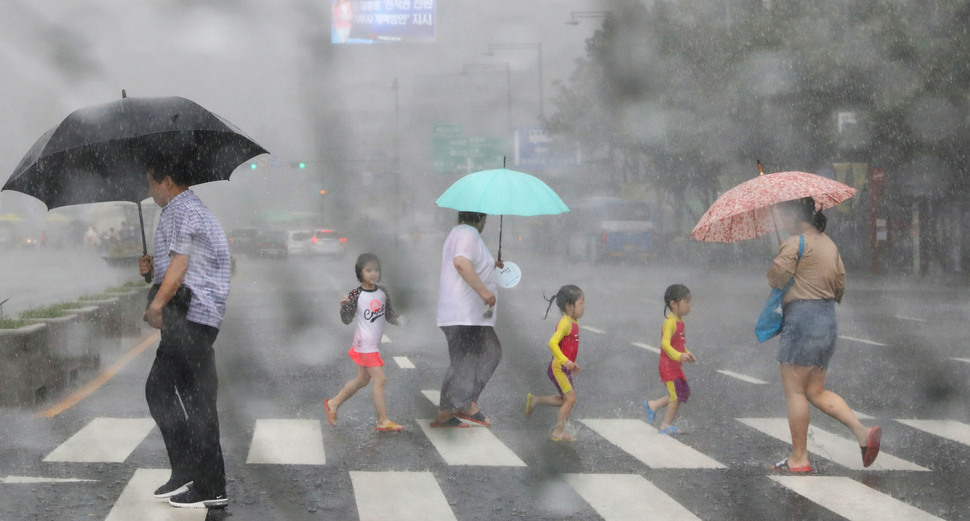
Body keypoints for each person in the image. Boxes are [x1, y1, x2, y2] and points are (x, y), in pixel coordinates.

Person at [138, 159, 231, 509]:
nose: (149, 191)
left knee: (190, 399)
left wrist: (156, 305)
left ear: (169, 181)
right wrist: (150, 270)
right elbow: (172, 265)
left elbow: (181, 266)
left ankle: (210, 486)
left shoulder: (182, 210)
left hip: (190, 315)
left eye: (151, 183)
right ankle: (189, 471)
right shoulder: (186, 210)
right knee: (167, 391)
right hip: (192, 315)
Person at [767, 196, 881, 472]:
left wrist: (785, 259)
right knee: (815, 390)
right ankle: (862, 433)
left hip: (802, 320)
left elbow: (775, 279)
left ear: (797, 217)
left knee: (795, 391)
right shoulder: (830, 245)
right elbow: (840, 286)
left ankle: (799, 458)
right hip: (827, 319)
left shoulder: (795, 244)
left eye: (786, 215)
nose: (783, 221)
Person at [432, 211, 501, 428]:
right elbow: (461, 262)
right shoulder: (468, 233)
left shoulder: (460, 233)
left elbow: (471, 263)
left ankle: (466, 403)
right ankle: (452, 408)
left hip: (469, 315)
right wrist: (483, 292)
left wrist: (492, 267)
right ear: (481, 219)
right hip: (463, 313)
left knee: (476, 356)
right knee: (478, 356)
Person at [325, 253, 403, 432]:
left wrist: (401, 321)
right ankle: (383, 420)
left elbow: (389, 315)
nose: (373, 273)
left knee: (362, 380)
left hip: (372, 344)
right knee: (380, 378)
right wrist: (344, 307)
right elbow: (346, 319)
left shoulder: (383, 292)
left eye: (376, 270)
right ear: (360, 273)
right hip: (364, 344)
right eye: (368, 270)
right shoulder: (356, 294)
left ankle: (333, 403)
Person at [525, 285, 585, 441]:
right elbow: (552, 343)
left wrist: (571, 363)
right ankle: (558, 432)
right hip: (558, 367)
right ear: (569, 306)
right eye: (581, 303)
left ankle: (536, 400)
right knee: (570, 399)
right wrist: (565, 361)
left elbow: (567, 347)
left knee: (566, 399)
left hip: (562, 367)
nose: (584, 307)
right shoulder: (566, 322)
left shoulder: (573, 321)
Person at [644, 284, 696, 435]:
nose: (689, 306)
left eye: (689, 301)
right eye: (686, 302)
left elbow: (678, 345)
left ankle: (652, 405)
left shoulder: (679, 321)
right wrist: (679, 355)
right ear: (673, 304)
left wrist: (686, 352)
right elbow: (665, 344)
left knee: (682, 393)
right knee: (675, 396)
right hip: (668, 366)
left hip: (675, 365)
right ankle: (665, 425)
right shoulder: (670, 322)